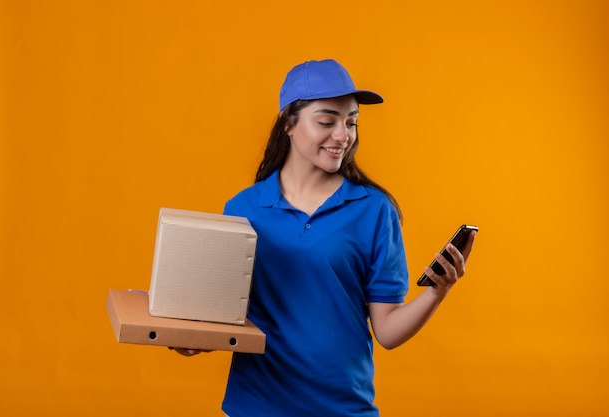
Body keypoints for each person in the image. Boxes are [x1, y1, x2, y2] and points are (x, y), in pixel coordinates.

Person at [172, 59, 477, 417]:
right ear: (289, 122)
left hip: (342, 409)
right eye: (326, 121)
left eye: (351, 122)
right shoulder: (243, 208)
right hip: (255, 407)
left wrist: (438, 292)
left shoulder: (374, 210)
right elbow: (224, 318)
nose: (342, 135)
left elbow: (388, 332)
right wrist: (192, 340)